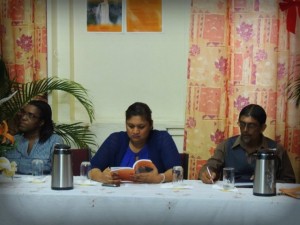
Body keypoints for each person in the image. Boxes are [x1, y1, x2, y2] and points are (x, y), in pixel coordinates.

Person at [199, 104, 295, 184]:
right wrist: (207, 172)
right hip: (231, 197)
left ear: (263, 127)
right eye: (242, 124)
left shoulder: (276, 149)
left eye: (251, 126)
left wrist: (267, 180)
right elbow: (210, 166)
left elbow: (290, 181)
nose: (245, 130)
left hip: (266, 199)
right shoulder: (226, 145)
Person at [90, 102, 181, 184]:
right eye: (131, 126)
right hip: (119, 196)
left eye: (141, 127)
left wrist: (159, 178)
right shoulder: (116, 140)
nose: (135, 131)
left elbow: (178, 171)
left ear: (151, 125)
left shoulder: (161, 139)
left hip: (153, 197)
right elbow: (91, 168)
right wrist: (102, 177)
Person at [5, 100, 63, 174]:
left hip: (43, 184)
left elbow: (59, 172)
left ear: (41, 122)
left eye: (31, 116)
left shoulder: (53, 141)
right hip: (13, 184)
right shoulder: (12, 140)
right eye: (23, 113)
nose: (23, 118)